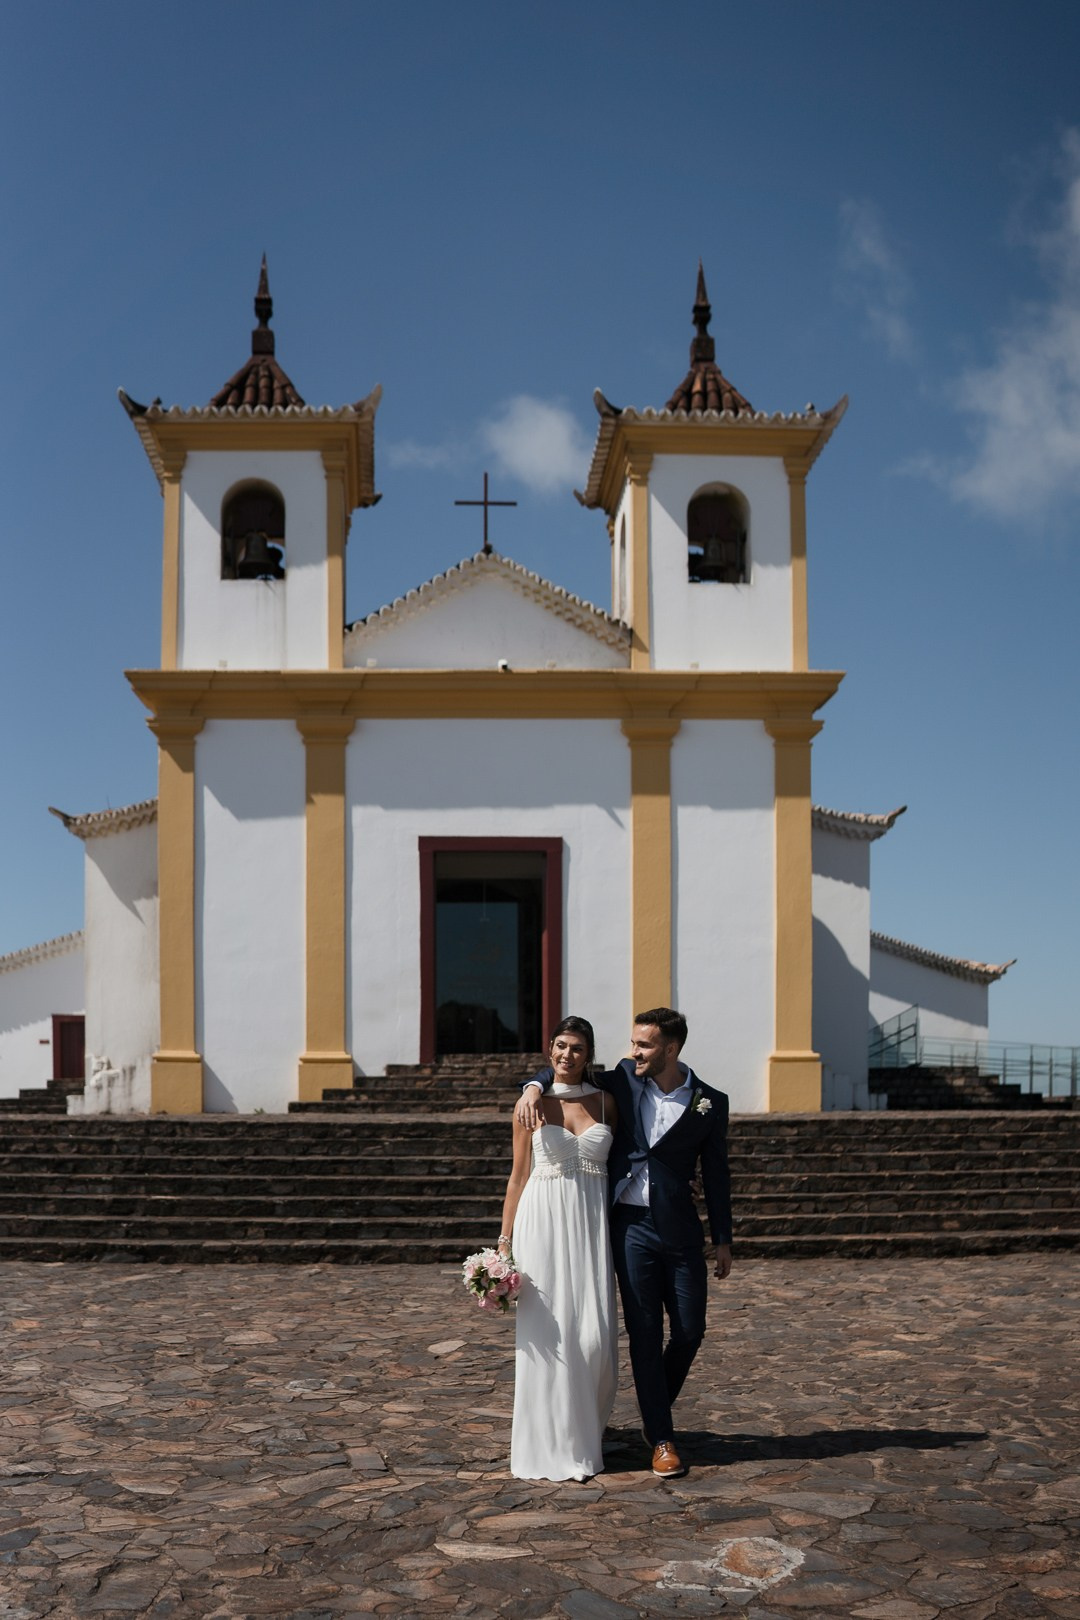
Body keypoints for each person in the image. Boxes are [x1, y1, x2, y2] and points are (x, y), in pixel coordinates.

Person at [516, 1007, 732, 1480]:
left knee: (691, 1330)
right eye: (634, 1043)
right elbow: (562, 1068)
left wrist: (723, 1238)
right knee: (644, 1334)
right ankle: (661, 1436)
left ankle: (653, 1405)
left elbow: (716, 1174)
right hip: (629, 1228)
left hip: (681, 1230)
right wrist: (531, 1085)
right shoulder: (624, 1080)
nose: (633, 1051)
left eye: (644, 1045)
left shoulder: (710, 1102)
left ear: (670, 1050)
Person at [498, 1015, 619, 1481]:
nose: (567, 1055)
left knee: (593, 1338)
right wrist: (504, 1243)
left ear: (589, 1056)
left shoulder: (608, 1103)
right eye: (561, 1046)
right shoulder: (529, 1106)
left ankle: (584, 1430)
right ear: (550, 1050)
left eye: (578, 1048)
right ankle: (548, 1442)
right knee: (548, 1338)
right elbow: (517, 1177)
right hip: (542, 1225)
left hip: (589, 1230)